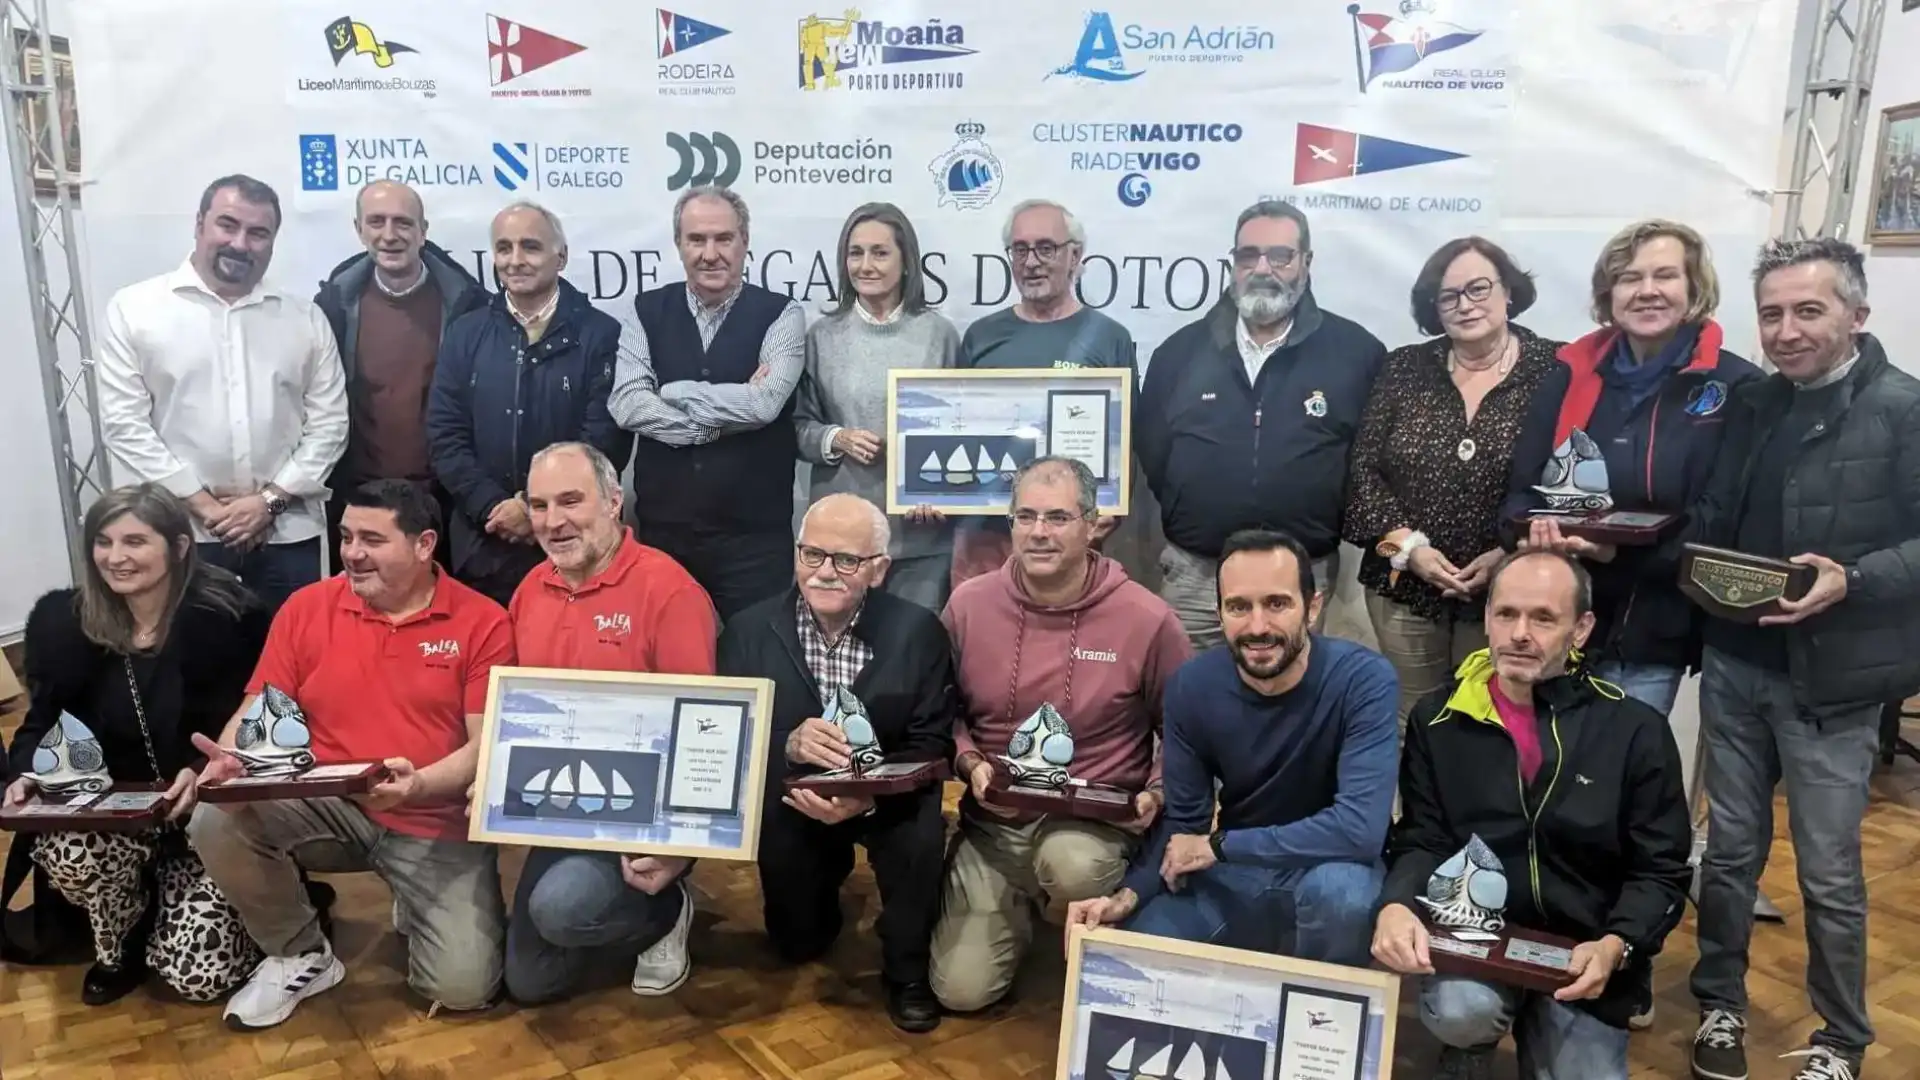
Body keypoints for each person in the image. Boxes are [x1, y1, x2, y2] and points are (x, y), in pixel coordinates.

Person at [1683, 239, 1920, 1080]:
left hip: (1834, 684)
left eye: (1808, 310)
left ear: (1857, 315)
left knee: (1827, 872)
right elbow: (1718, 509)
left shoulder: (1904, 408)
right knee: (1731, 856)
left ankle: (1843, 1040)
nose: (1786, 330)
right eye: (1773, 312)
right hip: (1736, 666)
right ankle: (1719, 1006)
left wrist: (1850, 580)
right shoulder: (1750, 401)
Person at [187, 480, 513, 1029]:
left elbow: (485, 746)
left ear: (424, 544)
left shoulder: (484, 622)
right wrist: (230, 758)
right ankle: (300, 953)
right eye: (345, 537)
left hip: (434, 820)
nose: (352, 553)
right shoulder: (307, 606)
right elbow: (259, 706)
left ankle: (418, 898)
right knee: (216, 817)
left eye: (371, 539)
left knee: (462, 989)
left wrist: (420, 785)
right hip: (328, 802)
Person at [1371, 549, 1690, 1080]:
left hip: (1581, 950)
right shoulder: (1438, 719)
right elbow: (1422, 837)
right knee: (1461, 1012)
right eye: (1506, 614)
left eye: (1543, 618)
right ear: (1488, 619)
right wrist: (1396, 904)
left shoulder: (1635, 731)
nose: (1520, 633)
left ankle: (1550, 1022)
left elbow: (1661, 870)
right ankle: (1473, 1040)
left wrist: (1617, 945)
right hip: (1478, 940)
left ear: (1581, 629)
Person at [929, 456, 1191, 1013]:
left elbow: (1186, 731)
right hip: (995, 827)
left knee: (1072, 865)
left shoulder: (1147, 618)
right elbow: (939, 713)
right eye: (1025, 516)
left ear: (1094, 524)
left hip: (1091, 825)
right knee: (961, 993)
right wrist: (969, 761)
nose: (1039, 532)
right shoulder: (969, 606)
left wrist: (1159, 790)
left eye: (1058, 517)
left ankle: (1081, 908)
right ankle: (1019, 908)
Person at [1065, 529, 1394, 966]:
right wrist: (1127, 896)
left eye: (1277, 604)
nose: (1258, 627)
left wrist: (1219, 846)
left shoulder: (1365, 681)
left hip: (1332, 866)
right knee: (1132, 957)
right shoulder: (1191, 686)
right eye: (1239, 606)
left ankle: (1317, 1017)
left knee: (1342, 898)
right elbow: (1184, 822)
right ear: (1219, 613)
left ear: (1312, 608)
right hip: (1237, 874)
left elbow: (1358, 831)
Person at [4, 485, 270, 1005]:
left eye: (134, 541)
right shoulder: (66, 623)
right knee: (64, 845)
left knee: (200, 979)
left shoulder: (231, 618)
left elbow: (258, 722)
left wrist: (202, 767)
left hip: (208, 813)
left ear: (178, 547)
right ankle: (121, 938)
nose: (116, 557)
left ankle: (242, 905)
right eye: (103, 541)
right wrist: (29, 772)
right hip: (116, 815)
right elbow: (43, 720)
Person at [1502, 219, 1761, 718]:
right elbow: (1517, 498)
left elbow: (1718, 524)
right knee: (1535, 776)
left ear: (1693, 288)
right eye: (1629, 277)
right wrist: (1529, 533)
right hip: (1548, 627)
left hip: (1650, 634)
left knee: (1617, 781)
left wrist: (1611, 551)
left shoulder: (1735, 386)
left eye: (1664, 276)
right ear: (1609, 293)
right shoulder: (1567, 373)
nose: (1647, 291)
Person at [719, 492, 955, 1032]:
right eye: (812, 555)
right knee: (796, 943)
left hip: (890, 795)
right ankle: (823, 882)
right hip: (792, 794)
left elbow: (933, 744)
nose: (825, 572)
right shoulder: (748, 632)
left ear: (878, 570)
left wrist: (867, 801)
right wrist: (786, 742)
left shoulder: (919, 632)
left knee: (919, 839)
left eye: (846, 560)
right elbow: (727, 733)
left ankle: (907, 969)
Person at [501, 441, 717, 1005]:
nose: (553, 521)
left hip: (643, 815)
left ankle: (668, 911)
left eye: (571, 501)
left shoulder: (670, 592)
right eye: (540, 505)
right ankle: (604, 907)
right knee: (530, 982)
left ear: (615, 501)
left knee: (560, 910)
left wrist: (677, 848)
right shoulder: (530, 590)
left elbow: (703, 734)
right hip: (562, 805)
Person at [1137, 200, 1388, 650]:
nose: (1262, 268)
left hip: (1301, 574)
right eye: (1248, 255)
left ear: (1306, 263)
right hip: (1198, 578)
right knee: (1192, 700)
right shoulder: (1177, 355)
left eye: (1280, 256)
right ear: (1233, 263)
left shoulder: (1356, 353)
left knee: (1287, 705)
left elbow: (1368, 461)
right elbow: (1155, 455)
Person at [95, 174, 348, 613]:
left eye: (258, 233)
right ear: (199, 224)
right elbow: (124, 425)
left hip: (287, 534)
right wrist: (208, 509)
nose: (240, 243)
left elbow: (331, 425)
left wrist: (268, 503)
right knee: (192, 668)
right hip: (179, 535)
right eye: (227, 225)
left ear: (273, 241)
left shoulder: (304, 318)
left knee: (288, 671)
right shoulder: (135, 310)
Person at [1345, 238, 1562, 720]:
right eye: (1449, 296)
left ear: (1509, 291)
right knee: (1413, 726)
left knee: (1495, 725)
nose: (1465, 305)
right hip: (1402, 583)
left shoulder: (1556, 369)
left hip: (1511, 592)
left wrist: (1511, 553)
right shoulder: (1404, 367)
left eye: (1479, 288)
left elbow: (1570, 482)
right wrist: (1411, 550)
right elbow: (1363, 474)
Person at [610, 185, 808, 621]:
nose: (710, 253)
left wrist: (672, 392)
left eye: (724, 238)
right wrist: (713, 423)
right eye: (696, 239)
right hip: (665, 536)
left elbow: (764, 405)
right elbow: (626, 403)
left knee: (756, 664)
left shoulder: (782, 314)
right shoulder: (646, 310)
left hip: (755, 542)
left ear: (745, 242)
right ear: (679, 244)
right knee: (668, 666)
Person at [426, 200, 631, 608]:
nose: (515, 260)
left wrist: (532, 508)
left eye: (530, 247)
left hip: (576, 545)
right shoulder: (466, 333)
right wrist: (492, 505)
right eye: (504, 248)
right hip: (482, 543)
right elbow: (445, 435)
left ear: (561, 257)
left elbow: (604, 439)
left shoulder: (602, 334)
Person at [948, 199, 1137, 590]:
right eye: (1020, 249)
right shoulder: (981, 337)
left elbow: (1128, 440)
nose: (1031, 261)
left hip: (1071, 540)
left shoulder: (1109, 338)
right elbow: (958, 430)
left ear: (1075, 255)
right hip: (986, 537)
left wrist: (1111, 506)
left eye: (1046, 248)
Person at [794, 202, 961, 611]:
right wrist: (837, 438)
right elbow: (798, 427)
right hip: (841, 543)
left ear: (907, 262)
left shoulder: (939, 335)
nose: (865, 265)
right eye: (855, 252)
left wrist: (940, 490)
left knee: (913, 659)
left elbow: (960, 430)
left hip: (920, 539)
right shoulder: (822, 336)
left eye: (880, 252)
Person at [314, 180, 487, 571]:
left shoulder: (467, 305)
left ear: (423, 231)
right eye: (376, 222)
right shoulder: (333, 306)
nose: (389, 235)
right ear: (359, 229)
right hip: (358, 500)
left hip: (443, 501)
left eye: (403, 223)